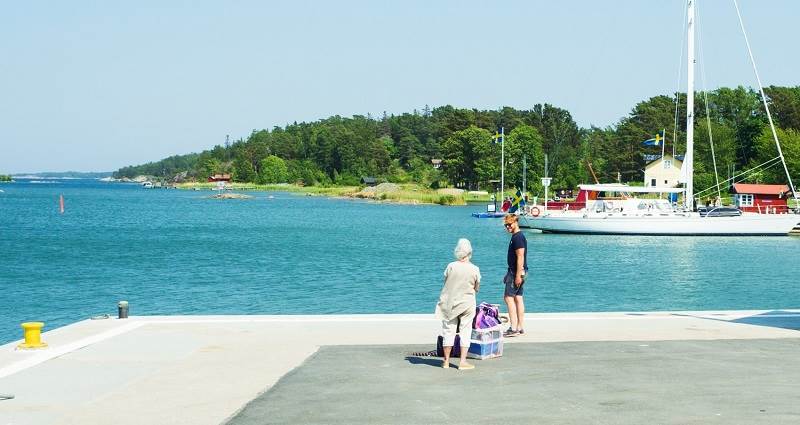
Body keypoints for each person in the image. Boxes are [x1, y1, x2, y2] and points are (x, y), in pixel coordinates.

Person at [434, 238, 481, 370]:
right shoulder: (474, 269)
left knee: (448, 331)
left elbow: (446, 282)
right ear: (470, 252)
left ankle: (446, 361)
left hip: (450, 302)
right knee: (465, 331)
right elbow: (477, 287)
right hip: (467, 303)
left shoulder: (451, 266)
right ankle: (462, 362)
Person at [502, 214, 527, 337]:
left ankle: (513, 327)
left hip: (516, 272)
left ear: (516, 222)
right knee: (518, 298)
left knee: (508, 298)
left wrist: (517, 275)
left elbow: (520, 256)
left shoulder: (518, 238)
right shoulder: (517, 236)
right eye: (506, 225)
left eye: (510, 224)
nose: (508, 227)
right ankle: (520, 326)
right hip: (516, 271)